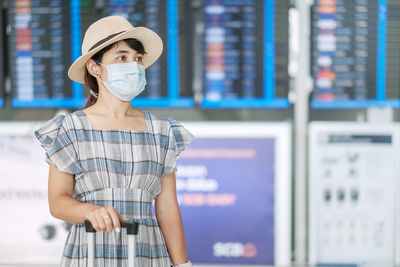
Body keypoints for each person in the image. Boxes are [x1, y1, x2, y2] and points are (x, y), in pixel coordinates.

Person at [34, 16, 194, 267]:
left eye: (137, 58)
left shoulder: (162, 131)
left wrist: (183, 265)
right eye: (122, 57)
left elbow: (168, 210)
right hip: (89, 253)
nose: (133, 65)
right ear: (94, 67)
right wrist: (90, 211)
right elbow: (58, 201)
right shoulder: (70, 128)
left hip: (148, 254)